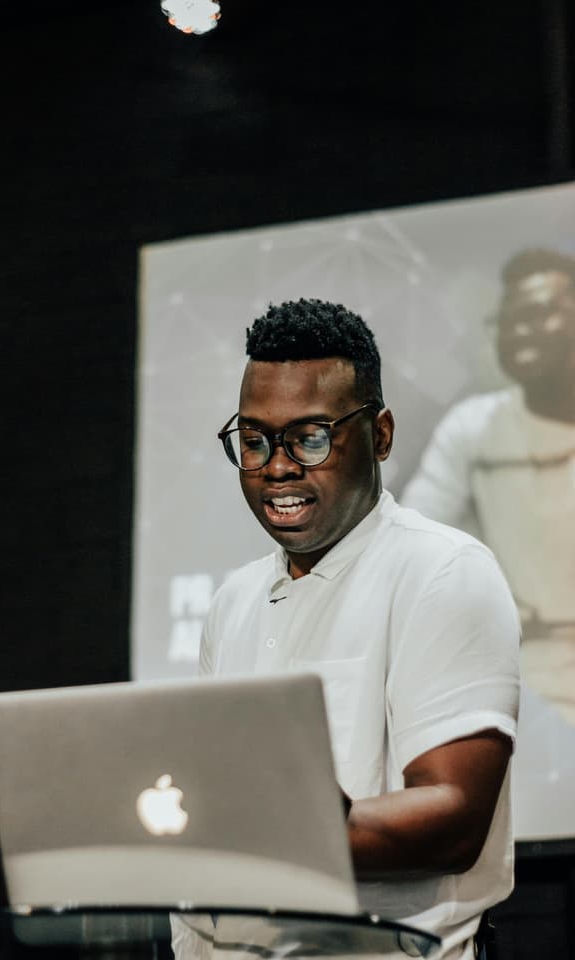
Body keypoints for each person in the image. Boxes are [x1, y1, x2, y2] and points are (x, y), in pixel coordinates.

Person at [207, 298, 519, 960]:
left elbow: (454, 817)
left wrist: (231, 833)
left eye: (310, 437)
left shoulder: (442, 571)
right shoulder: (232, 602)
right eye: (255, 441)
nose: (278, 467)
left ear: (380, 436)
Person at [402, 249, 575, 725]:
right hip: (519, 689)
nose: (519, 332)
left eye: (538, 314)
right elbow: (410, 547)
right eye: (507, 320)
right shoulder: (473, 428)